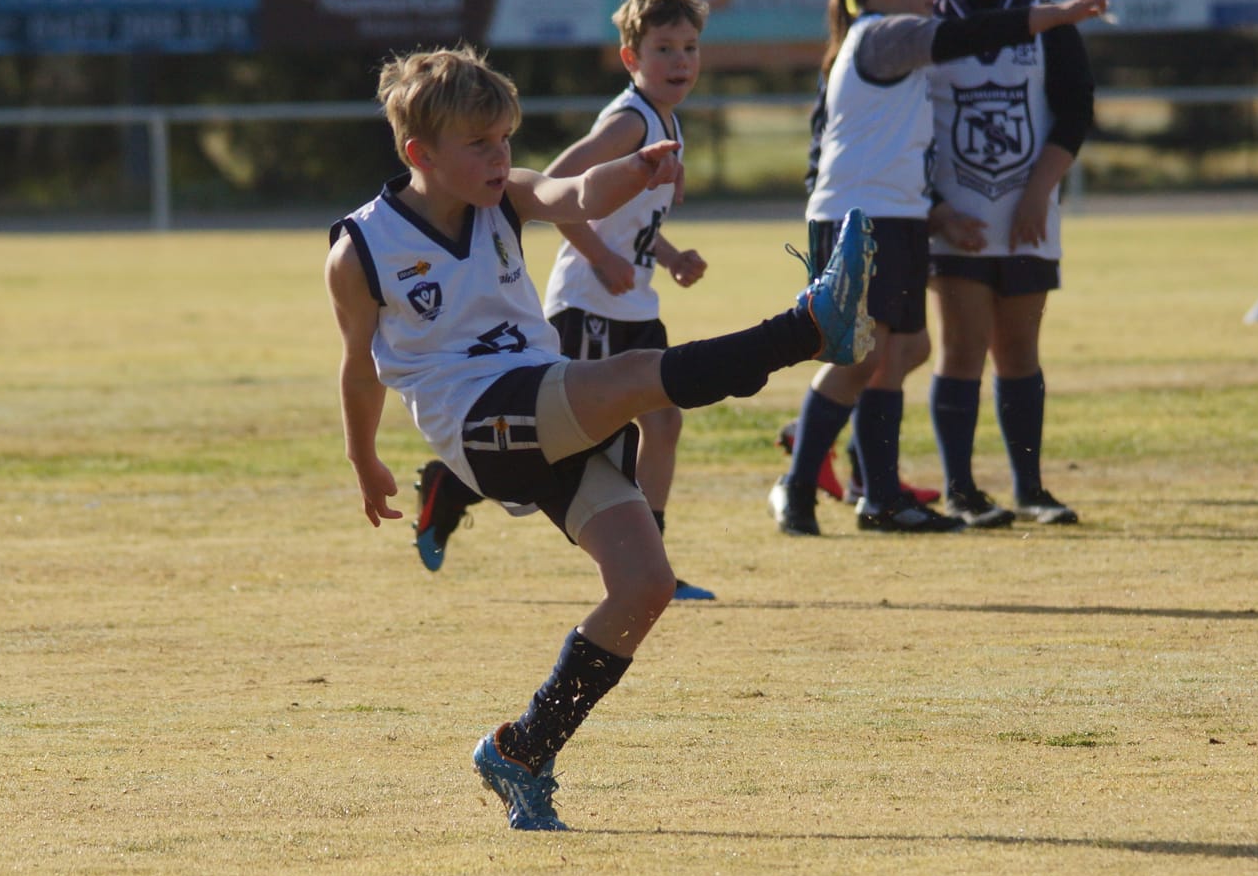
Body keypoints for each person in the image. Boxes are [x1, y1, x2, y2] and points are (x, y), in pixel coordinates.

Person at [326, 46, 875, 830]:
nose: (500, 157)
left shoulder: (504, 198)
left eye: (505, 138)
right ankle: (807, 329)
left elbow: (575, 189)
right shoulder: (361, 248)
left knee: (645, 585)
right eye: (479, 144)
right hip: (479, 426)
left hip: (539, 403)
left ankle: (522, 747)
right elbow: (358, 369)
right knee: (633, 376)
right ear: (420, 154)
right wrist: (363, 457)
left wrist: (640, 168)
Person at [771, 0, 1118, 537]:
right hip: (859, 218)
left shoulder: (892, 41)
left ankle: (878, 495)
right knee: (864, 356)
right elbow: (968, 37)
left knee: (904, 353)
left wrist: (935, 213)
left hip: (896, 219)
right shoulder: (882, 34)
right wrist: (1057, 16)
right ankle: (802, 482)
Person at [414, 0, 718, 602]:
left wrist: (668, 253)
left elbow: (631, 219)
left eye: (689, 47)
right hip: (589, 302)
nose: (680, 61)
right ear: (631, 58)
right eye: (664, 48)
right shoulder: (631, 119)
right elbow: (553, 185)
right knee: (561, 443)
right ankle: (454, 484)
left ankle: (652, 556)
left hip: (632, 301)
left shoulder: (666, 119)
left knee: (662, 426)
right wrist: (602, 257)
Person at [926, 0, 1101, 527]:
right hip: (956, 220)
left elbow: (1076, 109)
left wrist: (1039, 191)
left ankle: (1030, 487)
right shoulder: (928, 24)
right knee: (963, 347)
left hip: (1027, 213)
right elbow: (906, 129)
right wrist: (938, 210)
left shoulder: (1045, 19)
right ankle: (961, 491)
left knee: (1019, 349)